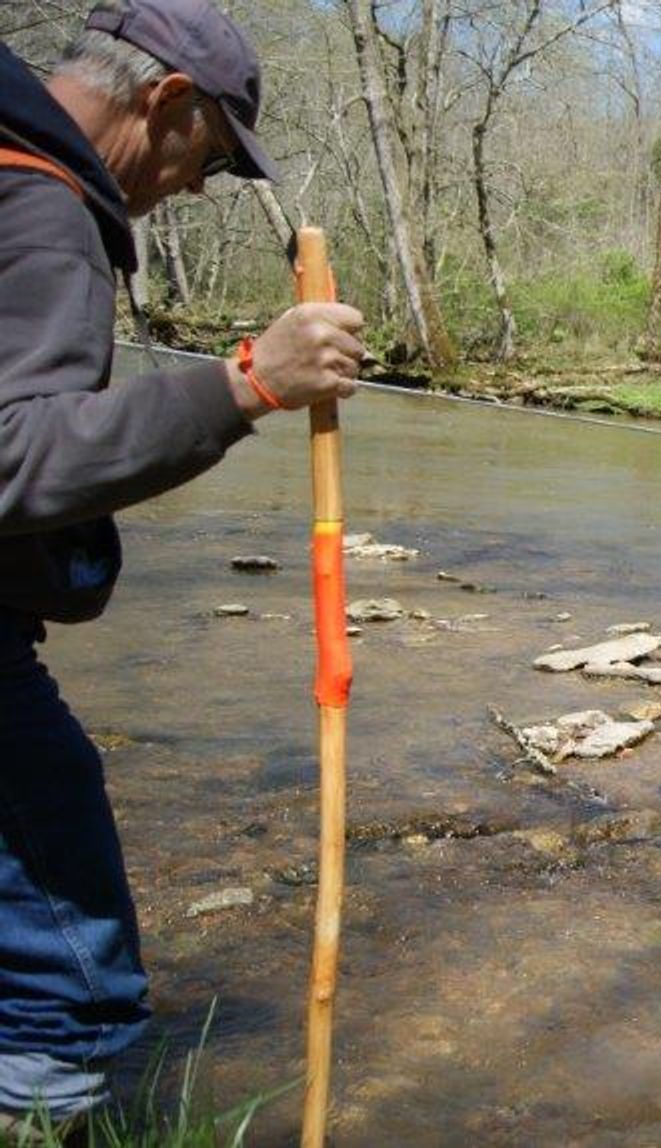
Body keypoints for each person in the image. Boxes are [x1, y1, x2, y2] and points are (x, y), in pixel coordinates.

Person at [0, 1, 364, 1120]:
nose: (194, 186)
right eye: (204, 154)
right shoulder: (41, 204)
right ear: (162, 101)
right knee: (70, 985)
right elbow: (14, 457)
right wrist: (246, 383)